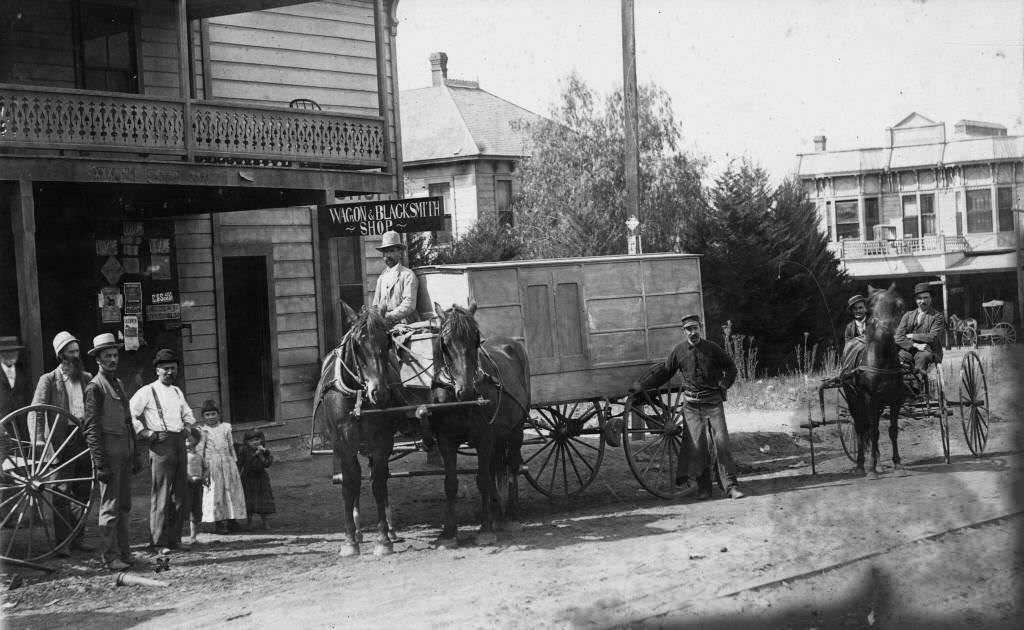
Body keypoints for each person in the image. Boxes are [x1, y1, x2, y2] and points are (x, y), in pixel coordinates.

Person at [629, 313, 745, 500]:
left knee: (722, 444)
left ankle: (731, 487)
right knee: (698, 447)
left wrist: (723, 385)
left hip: (713, 403)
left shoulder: (712, 349)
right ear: (683, 332)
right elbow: (665, 373)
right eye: (689, 329)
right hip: (691, 405)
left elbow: (731, 368)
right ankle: (704, 488)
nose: (693, 332)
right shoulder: (679, 352)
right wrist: (642, 386)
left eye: (696, 328)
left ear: (701, 328)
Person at [29, 332, 96, 556]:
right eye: (71, 352)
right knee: (61, 492)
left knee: (83, 490)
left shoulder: (86, 377)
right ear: (61, 355)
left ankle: (78, 539)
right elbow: (36, 411)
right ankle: (63, 543)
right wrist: (39, 438)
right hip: (61, 440)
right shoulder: (48, 380)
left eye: (77, 352)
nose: (75, 356)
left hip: (83, 438)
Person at [130, 348, 196, 553]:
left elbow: (188, 414)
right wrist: (146, 433)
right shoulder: (147, 391)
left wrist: (187, 427)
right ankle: (158, 542)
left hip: (178, 443)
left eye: (173, 368)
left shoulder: (177, 391)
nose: (169, 372)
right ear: (157, 370)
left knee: (180, 494)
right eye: (165, 369)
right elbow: (130, 414)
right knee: (161, 493)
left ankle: (174, 539)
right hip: (160, 445)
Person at [82, 333, 137, 570]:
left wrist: (135, 453)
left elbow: (127, 420)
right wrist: (100, 462)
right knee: (110, 506)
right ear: (98, 360)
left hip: (124, 450)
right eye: (107, 356)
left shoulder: (119, 383)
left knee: (124, 504)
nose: (112, 359)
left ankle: (125, 552)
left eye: (115, 355)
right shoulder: (94, 388)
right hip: (109, 453)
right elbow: (91, 429)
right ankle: (110, 556)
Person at [197, 400, 247, 534]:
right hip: (212, 465)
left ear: (218, 415)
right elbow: (200, 450)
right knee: (216, 492)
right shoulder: (203, 431)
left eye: (213, 414)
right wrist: (202, 467)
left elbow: (231, 446)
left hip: (227, 462)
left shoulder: (226, 427)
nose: (211, 417)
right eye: (207, 415)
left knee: (231, 491)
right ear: (203, 417)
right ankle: (219, 522)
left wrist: (234, 461)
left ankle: (232, 521)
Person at [895, 282, 946, 375]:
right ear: (915, 300)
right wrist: (915, 345)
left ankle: (917, 386)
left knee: (922, 357)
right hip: (910, 349)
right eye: (919, 298)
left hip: (929, 351)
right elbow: (898, 336)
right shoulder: (908, 315)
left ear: (930, 299)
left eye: (925, 298)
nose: (922, 301)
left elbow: (932, 337)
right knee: (895, 357)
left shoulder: (937, 317)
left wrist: (911, 335)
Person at [371, 230, 419, 325]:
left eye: (391, 251)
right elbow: (375, 305)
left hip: (404, 325)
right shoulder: (382, 278)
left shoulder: (407, 275)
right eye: (385, 252)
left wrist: (389, 316)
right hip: (384, 326)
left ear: (399, 252)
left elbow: (409, 304)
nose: (388, 255)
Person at [237, 429, 275, 530]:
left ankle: (265, 522)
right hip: (248, 477)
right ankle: (249, 522)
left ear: (261, 440)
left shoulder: (265, 451)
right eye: (251, 441)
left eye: (257, 439)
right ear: (246, 442)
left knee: (263, 500)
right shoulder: (244, 451)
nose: (255, 442)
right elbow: (242, 463)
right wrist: (254, 455)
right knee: (249, 500)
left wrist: (261, 455)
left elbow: (267, 464)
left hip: (261, 478)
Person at [0, 336, 32, 436]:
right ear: (1, 354)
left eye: (15, 352)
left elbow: (29, 397)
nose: (12, 356)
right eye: (8, 353)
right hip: (3, 425)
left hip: (23, 424)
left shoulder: (23, 372)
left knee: (25, 449)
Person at [184, 426, 207, 545]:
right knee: (185, 507)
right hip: (185, 486)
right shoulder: (182, 456)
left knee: (196, 509)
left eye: (190, 440)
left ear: (196, 440)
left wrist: (204, 477)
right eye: (185, 440)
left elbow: (205, 468)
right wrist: (189, 478)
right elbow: (181, 470)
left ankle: (193, 537)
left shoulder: (199, 455)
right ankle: (177, 536)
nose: (187, 443)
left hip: (197, 485)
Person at [840, 294, 869, 375]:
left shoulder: (874, 323)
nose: (858, 311)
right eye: (855, 309)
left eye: (860, 308)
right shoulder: (849, 328)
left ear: (865, 309)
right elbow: (848, 349)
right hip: (856, 364)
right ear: (852, 311)